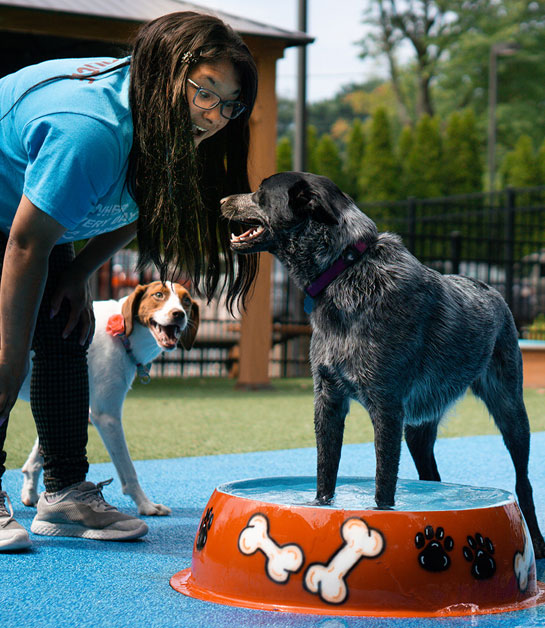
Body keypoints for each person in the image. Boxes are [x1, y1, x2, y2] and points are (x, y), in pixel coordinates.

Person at [0, 11, 258, 550]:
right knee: (6, 356)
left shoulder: (169, 125)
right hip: (15, 217)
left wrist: (77, 272)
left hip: (37, 215)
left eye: (230, 105)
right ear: (168, 69)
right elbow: (25, 243)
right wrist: (10, 358)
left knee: (65, 330)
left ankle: (66, 493)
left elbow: (138, 207)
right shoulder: (89, 130)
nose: (216, 117)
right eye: (207, 92)